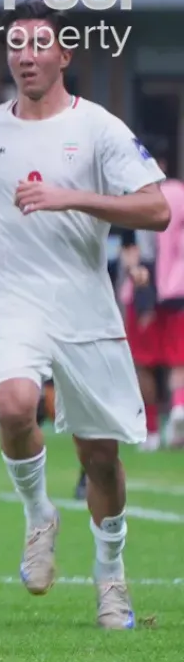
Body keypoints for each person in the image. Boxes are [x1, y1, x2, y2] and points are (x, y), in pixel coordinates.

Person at [0, 0, 170, 629]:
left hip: (83, 303)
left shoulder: (100, 129)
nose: (25, 55)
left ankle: (111, 579)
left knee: (100, 458)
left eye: (38, 44)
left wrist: (70, 198)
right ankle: (38, 515)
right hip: (9, 296)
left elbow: (157, 209)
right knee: (13, 402)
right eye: (16, 44)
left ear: (64, 55)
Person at [117, 158, 184, 450]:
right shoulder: (179, 193)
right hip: (177, 289)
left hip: (143, 290)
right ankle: (179, 408)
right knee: (177, 359)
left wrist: (135, 275)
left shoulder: (130, 198)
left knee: (144, 363)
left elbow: (129, 250)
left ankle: (153, 430)